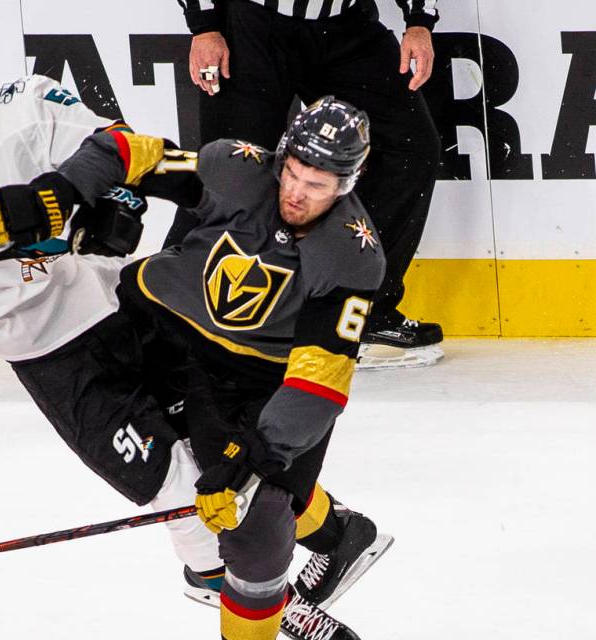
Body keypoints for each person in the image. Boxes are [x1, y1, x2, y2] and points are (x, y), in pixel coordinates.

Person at [0, 40, 375, 640]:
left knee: (224, 450)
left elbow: (120, 154)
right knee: (169, 483)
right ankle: (256, 588)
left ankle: (324, 533)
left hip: (124, 300)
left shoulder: (29, 106)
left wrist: (110, 213)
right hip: (48, 350)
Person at [0, 95, 389, 640]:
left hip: (260, 385)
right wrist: (57, 193)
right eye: (291, 171)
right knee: (193, 479)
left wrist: (252, 460)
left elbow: (317, 384)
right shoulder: (237, 169)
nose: (294, 190)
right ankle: (340, 530)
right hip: (160, 330)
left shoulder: (353, 257)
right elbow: (128, 154)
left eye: (315, 184)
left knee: (257, 534)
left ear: (346, 183)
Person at [172, 0, 444, 368]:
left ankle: (361, 313)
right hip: (253, 28)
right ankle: (172, 320)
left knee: (408, 147)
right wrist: (205, 25)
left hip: (349, 26)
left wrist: (419, 22)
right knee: (231, 172)